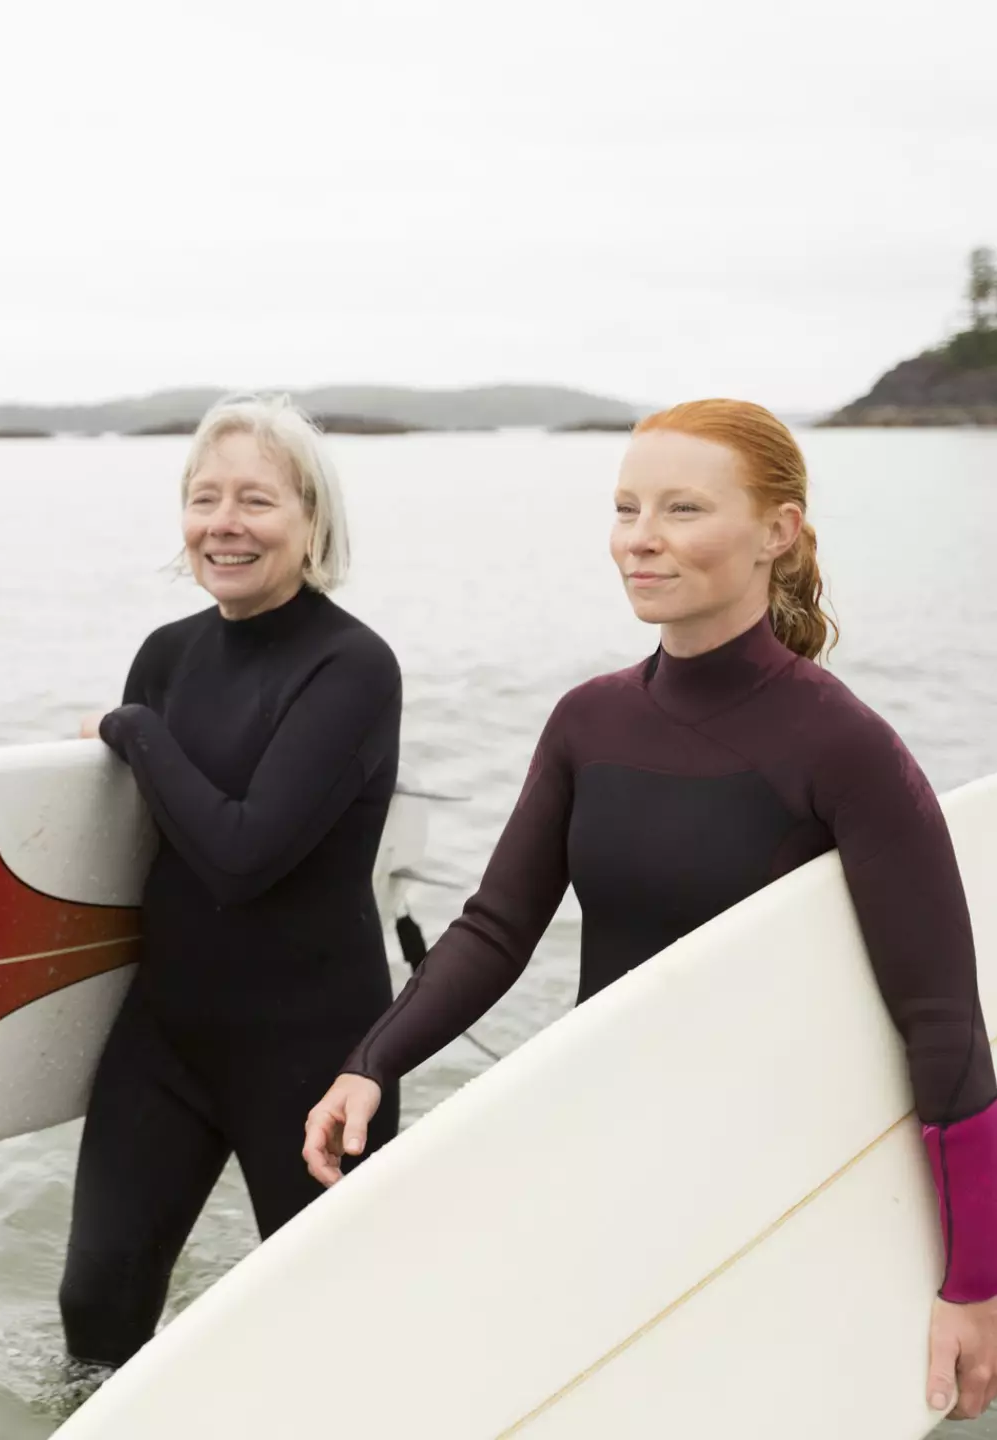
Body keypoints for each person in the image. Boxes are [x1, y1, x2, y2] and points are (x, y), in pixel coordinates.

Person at [301, 398, 997, 1421]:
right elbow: (496, 928)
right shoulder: (588, 722)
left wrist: (970, 1285)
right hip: (609, 1146)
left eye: (680, 508)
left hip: (772, 1178)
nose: (639, 537)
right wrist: (371, 1065)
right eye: (625, 507)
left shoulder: (840, 746)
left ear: (777, 532)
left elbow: (940, 1021)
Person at [59, 394, 403, 1367]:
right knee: (94, 1312)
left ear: (310, 520)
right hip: (164, 1040)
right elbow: (132, 854)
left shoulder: (350, 666)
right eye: (202, 497)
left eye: (254, 499)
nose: (223, 522)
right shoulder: (165, 655)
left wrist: (130, 729)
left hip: (312, 1058)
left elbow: (242, 856)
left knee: (336, 1335)